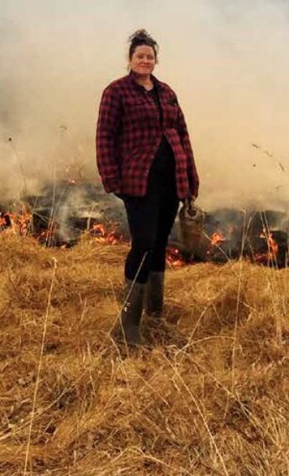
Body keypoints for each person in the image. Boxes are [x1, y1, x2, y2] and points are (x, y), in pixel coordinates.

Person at [95, 29, 199, 348]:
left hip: (171, 182)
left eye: (150, 56)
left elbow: (182, 134)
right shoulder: (116, 92)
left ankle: (155, 315)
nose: (145, 60)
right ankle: (129, 325)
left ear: (156, 61)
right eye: (140, 55)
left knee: (158, 244)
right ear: (130, 59)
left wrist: (191, 180)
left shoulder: (166, 92)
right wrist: (112, 180)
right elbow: (105, 138)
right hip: (139, 183)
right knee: (142, 245)